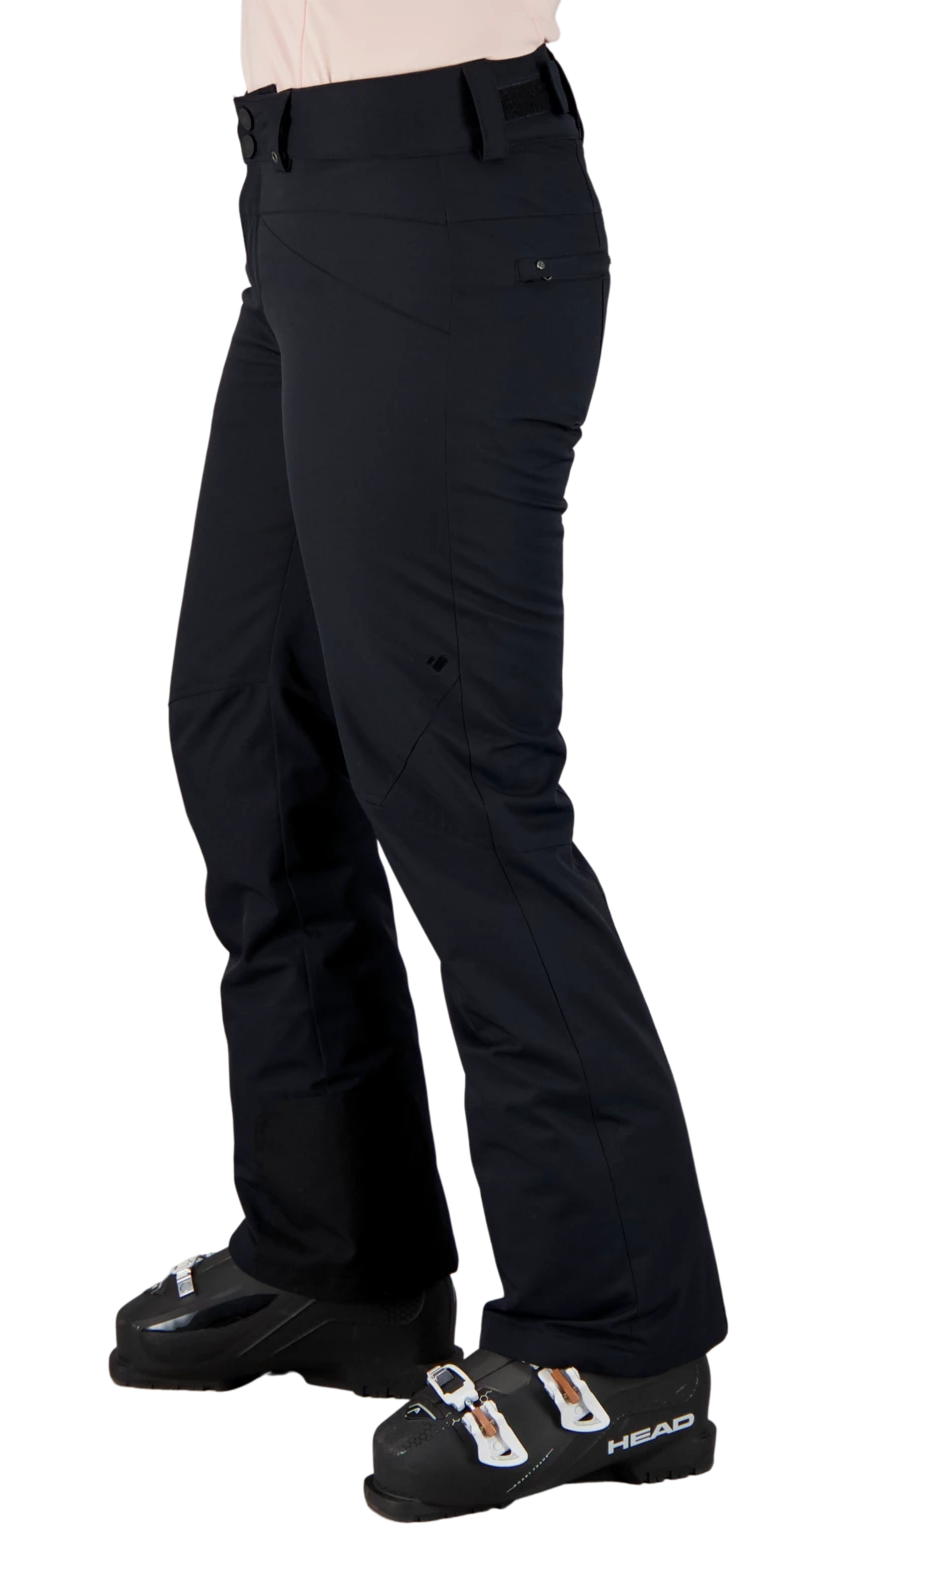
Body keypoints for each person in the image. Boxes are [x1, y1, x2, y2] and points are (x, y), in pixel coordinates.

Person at [111, 1, 727, 1518]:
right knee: (248, 725)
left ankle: (624, 1339)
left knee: (455, 778)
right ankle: (348, 1254)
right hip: (296, 198)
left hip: (437, 204)